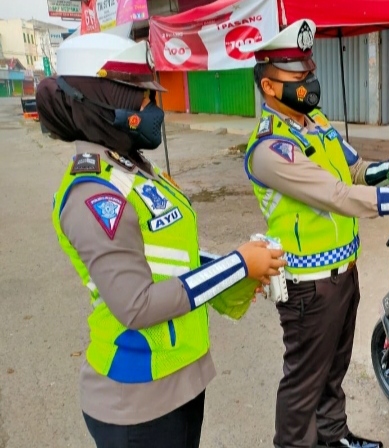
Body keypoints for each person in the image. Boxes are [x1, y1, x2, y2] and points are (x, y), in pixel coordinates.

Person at [40, 32, 286, 448]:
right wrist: (238, 265)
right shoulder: (93, 194)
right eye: (140, 96)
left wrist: (236, 273)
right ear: (101, 100)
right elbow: (137, 304)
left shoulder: (133, 167)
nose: (153, 108)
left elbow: (171, 257)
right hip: (137, 401)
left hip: (180, 379)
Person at [238, 19, 389, 448]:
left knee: (334, 369)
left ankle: (333, 436)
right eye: (297, 77)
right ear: (270, 87)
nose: (309, 83)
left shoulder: (317, 122)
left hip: (343, 273)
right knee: (303, 381)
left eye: (310, 72)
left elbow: (356, 171)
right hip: (307, 288)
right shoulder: (270, 149)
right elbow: (340, 196)